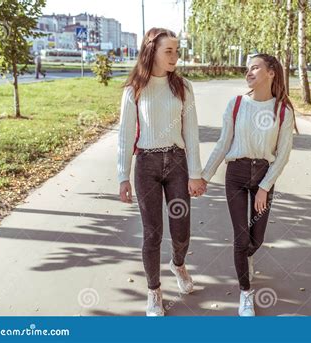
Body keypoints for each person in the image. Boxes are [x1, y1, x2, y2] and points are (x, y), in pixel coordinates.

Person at [117, 27, 206, 316]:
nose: (175, 57)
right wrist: (123, 176)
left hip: (177, 164)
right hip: (146, 167)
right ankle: (154, 290)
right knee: (152, 233)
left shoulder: (183, 87)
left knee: (181, 231)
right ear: (151, 52)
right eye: (169, 51)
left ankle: (178, 264)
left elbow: (191, 133)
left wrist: (195, 173)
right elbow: (125, 134)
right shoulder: (134, 90)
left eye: (177, 51)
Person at [201, 53, 297, 316]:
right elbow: (222, 144)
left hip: (263, 177)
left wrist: (265, 187)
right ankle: (245, 293)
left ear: (271, 73)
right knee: (241, 237)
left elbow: (283, 154)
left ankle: (247, 256)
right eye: (247, 69)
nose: (249, 73)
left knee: (257, 239)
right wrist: (203, 177)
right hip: (236, 175)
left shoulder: (282, 110)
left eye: (255, 68)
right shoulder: (236, 104)